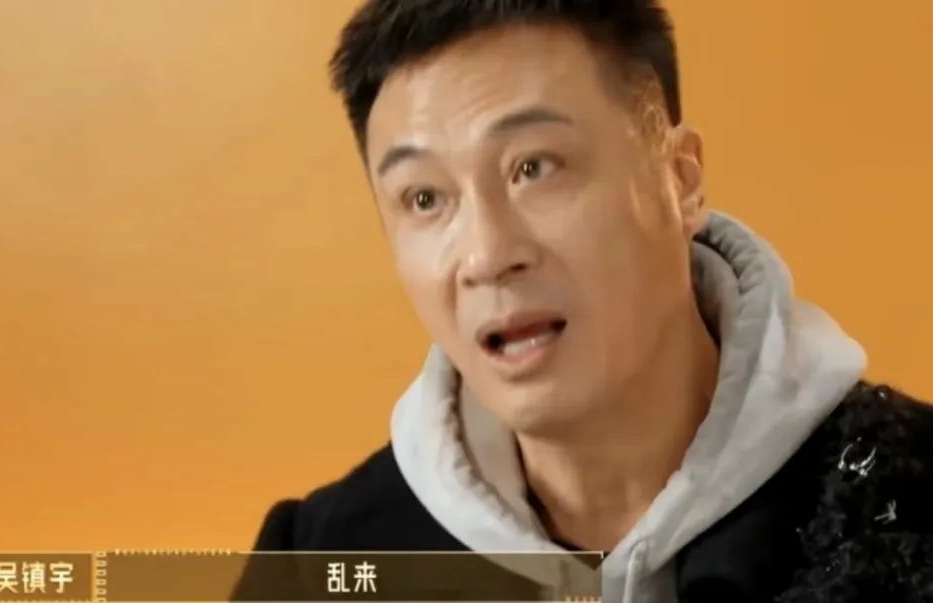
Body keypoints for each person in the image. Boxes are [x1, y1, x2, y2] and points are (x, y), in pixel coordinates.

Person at [232, 1, 933, 601]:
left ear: (681, 179)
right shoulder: (319, 563)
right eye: (424, 198)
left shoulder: (905, 497)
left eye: (533, 167)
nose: (485, 255)